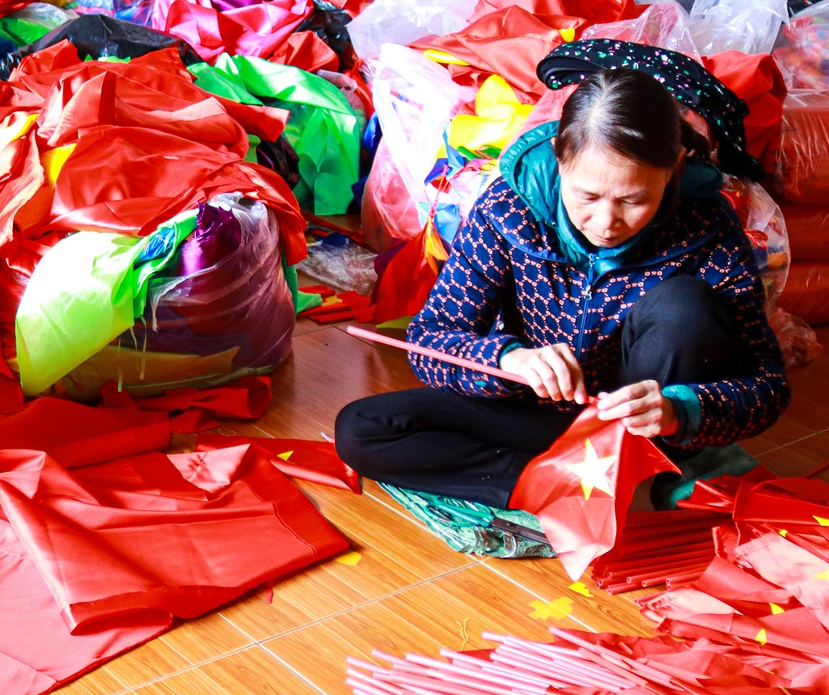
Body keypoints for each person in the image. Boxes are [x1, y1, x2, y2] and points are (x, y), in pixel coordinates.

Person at [335, 66, 789, 506]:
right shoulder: (508, 211)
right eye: (587, 196)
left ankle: (633, 470)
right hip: (532, 414)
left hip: (637, 430)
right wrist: (508, 359)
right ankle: (556, 485)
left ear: (672, 168)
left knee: (683, 305)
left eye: (635, 200)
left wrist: (679, 408)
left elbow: (768, 384)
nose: (607, 223)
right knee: (363, 428)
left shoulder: (708, 229)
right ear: (560, 157)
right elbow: (429, 340)